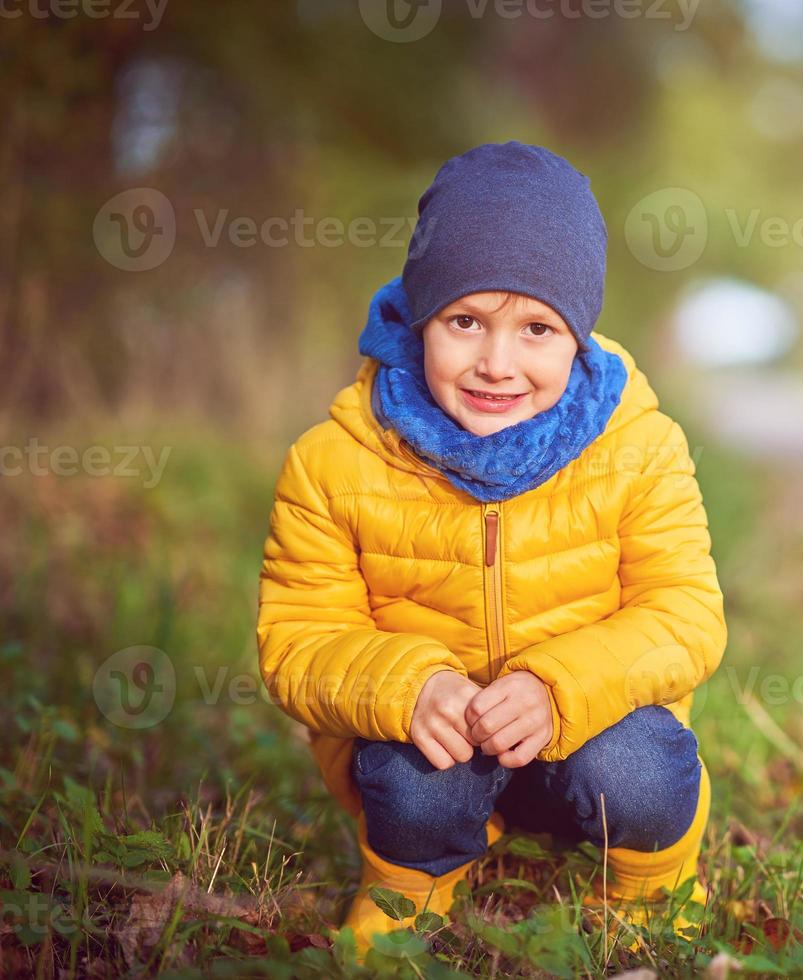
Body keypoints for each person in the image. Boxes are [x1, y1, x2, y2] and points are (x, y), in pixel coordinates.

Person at [254, 141, 726, 949]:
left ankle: (653, 881)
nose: (496, 364)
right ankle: (410, 884)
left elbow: (685, 615)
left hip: (583, 735)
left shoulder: (638, 448)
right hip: (444, 744)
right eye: (465, 321)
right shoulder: (333, 462)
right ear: (418, 317)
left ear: (578, 338)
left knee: (640, 770)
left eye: (537, 328)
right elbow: (297, 639)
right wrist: (408, 686)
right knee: (411, 775)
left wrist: (557, 685)